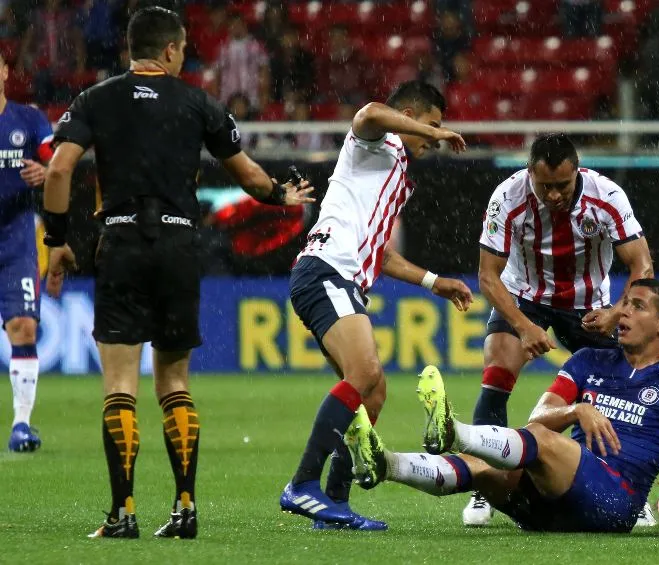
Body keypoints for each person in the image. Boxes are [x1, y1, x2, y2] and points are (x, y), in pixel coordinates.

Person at [41, 6, 314, 539]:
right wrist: (282, 194)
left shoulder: (95, 100)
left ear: (131, 49)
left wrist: (56, 242)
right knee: (174, 381)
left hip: (120, 240)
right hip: (177, 243)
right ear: (169, 50)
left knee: (121, 383)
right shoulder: (198, 102)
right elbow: (251, 176)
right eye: (183, 49)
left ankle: (122, 514)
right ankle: (185, 507)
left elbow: (57, 169)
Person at [344, 279, 659, 533]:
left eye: (636, 306)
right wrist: (575, 411)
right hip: (548, 505)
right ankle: (386, 465)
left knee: (541, 443)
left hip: (613, 504)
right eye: (623, 302)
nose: (622, 312)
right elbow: (538, 419)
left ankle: (452, 432)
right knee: (486, 468)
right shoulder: (586, 362)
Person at [279, 80, 474, 531]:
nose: (434, 136)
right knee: (363, 375)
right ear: (406, 114)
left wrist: (433, 281)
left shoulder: (398, 176)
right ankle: (302, 485)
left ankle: (333, 505)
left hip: (342, 277)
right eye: (430, 125)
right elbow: (368, 111)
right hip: (326, 269)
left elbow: (381, 253)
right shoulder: (374, 141)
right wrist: (435, 133)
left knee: (374, 392)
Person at [465, 133, 655, 526]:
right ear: (529, 173)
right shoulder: (507, 197)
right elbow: (488, 276)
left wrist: (616, 310)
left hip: (588, 305)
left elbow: (643, 266)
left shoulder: (607, 195)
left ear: (577, 170)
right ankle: (486, 484)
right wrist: (523, 325)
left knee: (621, 390)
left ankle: (625, 487)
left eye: (562, 186)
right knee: (496, 375)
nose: (553, 196)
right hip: (524, 294)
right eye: (544, 186)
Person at [0, 52, 53, 453]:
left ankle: (21, 424)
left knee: (25, 327)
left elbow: (59, 166)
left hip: (16, 240)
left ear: (4, 71)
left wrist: (47, 173)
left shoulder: (30, 121)